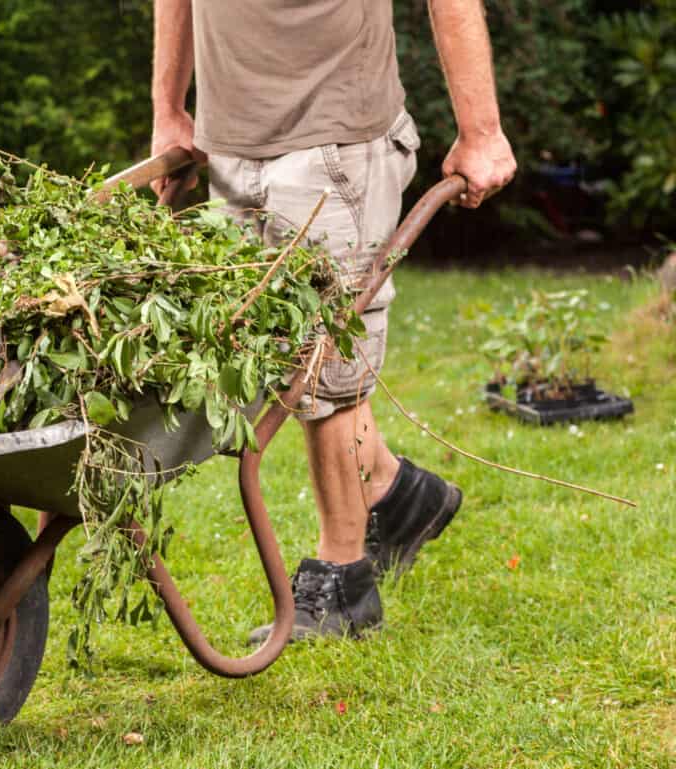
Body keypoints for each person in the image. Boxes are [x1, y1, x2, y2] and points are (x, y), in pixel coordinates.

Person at [151, 0, 517, 642]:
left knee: (324, 362)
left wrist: (481, 130)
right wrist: (169, 111)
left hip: (334, 139)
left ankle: (343, 580)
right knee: (282, 355)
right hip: (231, 140)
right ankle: (394, 491)